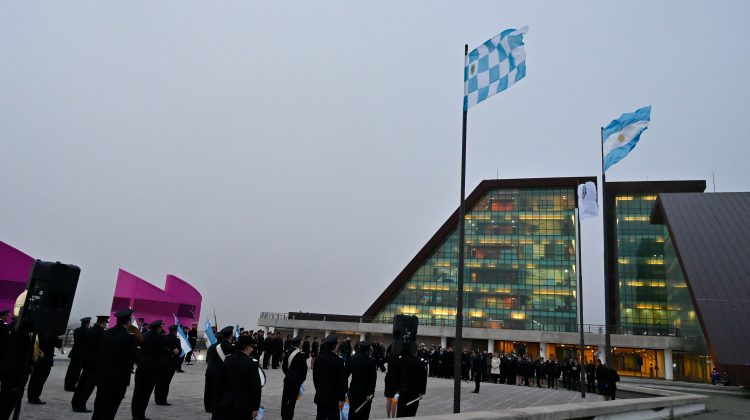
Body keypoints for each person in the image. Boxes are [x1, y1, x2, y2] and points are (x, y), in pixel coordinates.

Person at [91, 308, 137, 420]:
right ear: (128, 321)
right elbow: (131, 358)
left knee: (99, 404)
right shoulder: (128, 337)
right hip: (118, 378)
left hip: (103, 375)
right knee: (111, 407)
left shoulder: (107, 333)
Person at [217, 335, 262, 420]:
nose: (252, 349)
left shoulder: (228, 359)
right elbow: (256, 387)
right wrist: (255, 407)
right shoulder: (251, 363)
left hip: (227, 402)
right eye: (251, 346)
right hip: (244, 405)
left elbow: (221, 381)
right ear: (247, 347)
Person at [71, 315, 109, 413]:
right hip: (95, 362)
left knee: (81, 382)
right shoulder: (102, 333)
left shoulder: (90, 330)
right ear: (103, 322)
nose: (106, 325)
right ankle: (80, 405)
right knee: (88, 386)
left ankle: (75, 402)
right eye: (105, 323)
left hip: (87, 360)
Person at [131, 320, 168, 420]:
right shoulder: (160, 338)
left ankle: (135, 415)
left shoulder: (144, 335)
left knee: (137, 392)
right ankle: (140, 415)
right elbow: (163, 351)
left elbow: (137, 348)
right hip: (152, 369)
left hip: (141, 368)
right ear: (159, 328)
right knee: (145, 393)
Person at [313, 334, 347, 420]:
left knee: (320, 416)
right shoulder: (339, 361)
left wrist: (319, 390)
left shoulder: (318, 358)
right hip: (333, 397)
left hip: (321, 395)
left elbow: (315, 378)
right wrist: (342, 398)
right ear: (335, 346)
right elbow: (342, 381)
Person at [204, 326, 235, 418]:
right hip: (220, 373)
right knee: (218, 392)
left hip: (210, 372)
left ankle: (208, 407)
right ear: (229, 336)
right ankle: (215, 408)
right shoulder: (227, 346)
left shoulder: (212, 347)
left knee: (208, 390)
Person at [393, 344, 427, 417]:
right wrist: (422, 391)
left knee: (401, 412)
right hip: (414, 391)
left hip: (402, 391)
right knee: (411, 412)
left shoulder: (401, 360)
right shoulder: (420, 362)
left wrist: (396, 389)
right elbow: (423, 378)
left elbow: (396, 376)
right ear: (416, 351)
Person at [346, 340, 377, 420]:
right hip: (365, 394)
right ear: (369, 350)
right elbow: (372, 379)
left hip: (353, 392)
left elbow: (345, 375)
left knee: (352, 414)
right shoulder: (372, 361)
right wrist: (370, 393)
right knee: (364, 415)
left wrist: (347, 390)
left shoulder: (352, 359)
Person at [27, 334, 62, 404]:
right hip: (46, 359)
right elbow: (58, 345)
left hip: (37, 357)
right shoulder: (52, 333)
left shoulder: (38, 330)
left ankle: (30, 396)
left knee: (34, 378)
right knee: (41, 379)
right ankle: (35, 397)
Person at [281, 335, 307, 420]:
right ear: (299, 343)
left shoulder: (288, 352)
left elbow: (284, 367)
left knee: (285, 399)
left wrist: (288, 374)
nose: (302, 343)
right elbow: (304, 370)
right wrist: (302, 379)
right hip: (296, 381)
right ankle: (289, 417)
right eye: (302, 342)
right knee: (292, 401)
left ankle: (283, 416)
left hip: (288, 379)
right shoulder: (301, 354)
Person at [154, 324, 180, 406]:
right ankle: (163, 400)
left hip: (160, 363)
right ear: (175, 331)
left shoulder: (163, 338)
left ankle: (157, 399)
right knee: (166, 383)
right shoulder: (176, 340)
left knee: (159, 382)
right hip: (170, 364)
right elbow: (179, 352)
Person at [64, 317, 90, 391]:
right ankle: (71, 386)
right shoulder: (87, 331)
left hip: (74, 352)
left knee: (70, 370)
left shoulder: (77, 330)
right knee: (76, 372)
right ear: (87, 323)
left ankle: (67, 385)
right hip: (81, 354)